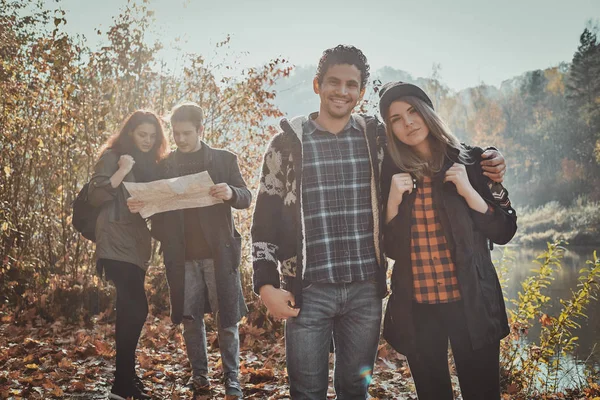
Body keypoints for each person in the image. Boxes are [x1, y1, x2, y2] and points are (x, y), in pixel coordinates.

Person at [251, 45, 508, 399]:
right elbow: (263, 221)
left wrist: (489, 158)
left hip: (364, 293)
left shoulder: (376, 141)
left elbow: (432, 145)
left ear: (360, 92)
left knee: (356, 388)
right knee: (306, 390)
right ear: (317, 85)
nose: (342, 91)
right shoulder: (286, 146)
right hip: (307, 293)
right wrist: (265, 284)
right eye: (334, 82)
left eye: (351, 85)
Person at [378, 81, 517, 400]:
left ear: (428, 113)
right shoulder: (391, 172)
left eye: (413, 111)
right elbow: (392, 249)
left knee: (482, 394)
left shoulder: (474, 161)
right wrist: (392, 204)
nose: (408, 122)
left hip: (472, 304)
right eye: (396, 118)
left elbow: (505, 229)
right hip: (419, 309)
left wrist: (469, 192)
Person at [137, 102, 251, 398]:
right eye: (176, 134)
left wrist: (230, 192)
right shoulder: (165, 165)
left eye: (187, 133)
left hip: (219, 254)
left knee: (226, 319)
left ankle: (232, 378)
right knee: (190, 318)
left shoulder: (224, 160)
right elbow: (156, 211)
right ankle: (200, 377)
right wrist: (146, 210)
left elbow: (246, 196)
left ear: (201, 130)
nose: (181, 139)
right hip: (181, 256)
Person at [88, 110, 168, 400]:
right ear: (130, 133)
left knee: (130, 308)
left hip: (136, 243)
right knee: (136, 306)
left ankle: (125, 380)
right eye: (141, 134)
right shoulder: (114, 155)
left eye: (152, 135)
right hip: (114, 240)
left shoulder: (152, 164)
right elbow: (95, 195)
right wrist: (121, 170)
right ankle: (121, 382)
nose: (147, 140)